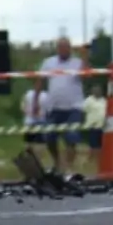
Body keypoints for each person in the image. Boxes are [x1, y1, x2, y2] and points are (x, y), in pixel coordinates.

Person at [37, 36, 89, 175]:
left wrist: (85, 56)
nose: (63, 50)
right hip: (54, 108)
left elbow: (85, 76)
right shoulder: (48, 62)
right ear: (57, 49)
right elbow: (40, 81)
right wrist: (36, 101)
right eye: (61, 48)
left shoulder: (77, 62)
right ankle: (57, 162)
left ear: (70, 49)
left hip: (73, 107)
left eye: (66, 48)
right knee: (49, 136)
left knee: (71, 137)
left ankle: (68, 168)